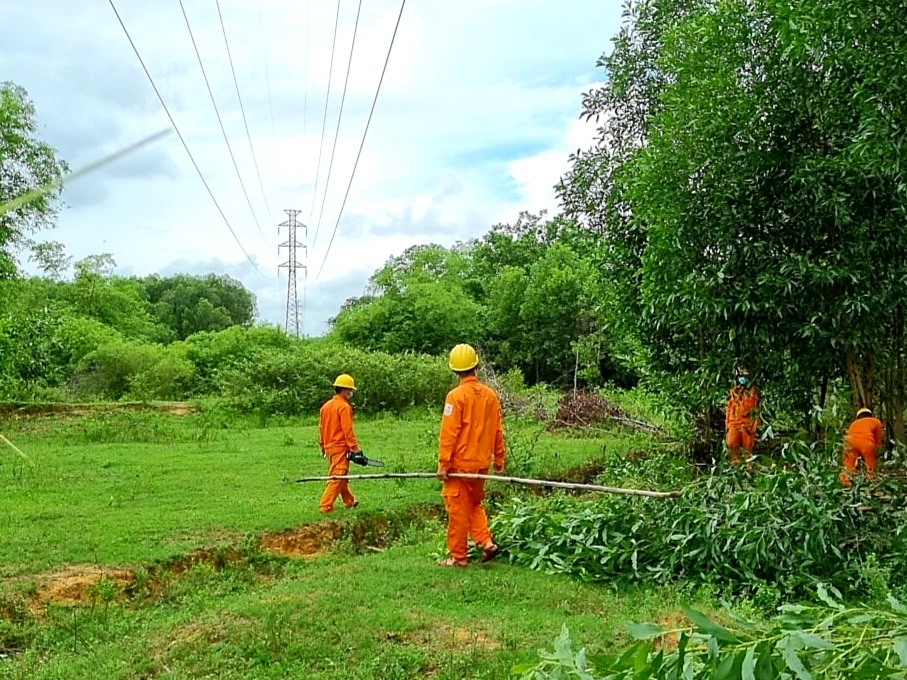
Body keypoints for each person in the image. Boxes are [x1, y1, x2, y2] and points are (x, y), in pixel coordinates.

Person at [436, 344, 506, 567]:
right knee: (475, 504)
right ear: (476, 365)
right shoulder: (491, 396)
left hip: (459, 466)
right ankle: (486, 542)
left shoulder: (455, 397)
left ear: (455, 370)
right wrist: (500, 459)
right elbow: (497, 430)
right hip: (482, 464)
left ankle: (459, 557)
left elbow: (450, 433)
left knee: (457, 510)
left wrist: (444, 463)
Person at [318, 374, 363, 513]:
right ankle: (325, 506)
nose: (351, 393)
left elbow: (321, 428)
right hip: (340, 448)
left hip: (329, 447)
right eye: (350, 390)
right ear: (343, 389)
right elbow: (347, 431)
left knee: (341, 475)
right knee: (337, 476)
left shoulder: (326, 407)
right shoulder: (344, 407)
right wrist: (356, 450)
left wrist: (322, 445)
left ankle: (350, 500)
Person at [840, 407, 885, 487]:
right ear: (870, 415)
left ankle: (846, 484)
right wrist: (877, 448)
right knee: (870, 466)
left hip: (850, 442)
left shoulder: (854, 423)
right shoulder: (875, 421)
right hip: (866, 442)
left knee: (849, 466)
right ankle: (871, 484)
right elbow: (879, 438)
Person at [725, 368, 761, 465]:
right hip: (734, 424)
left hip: (748, 426)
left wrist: (756, 426)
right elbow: (729, 409)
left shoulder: (754, 392)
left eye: (744, 376)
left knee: (747, 452)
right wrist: (727, 426)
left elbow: (758, 410)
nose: (742, 379)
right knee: (732, 446)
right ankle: (736, 470)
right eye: (740, 376)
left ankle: (748, 473)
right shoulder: (733, 392)